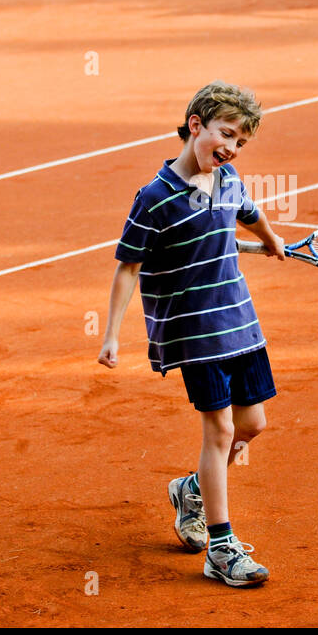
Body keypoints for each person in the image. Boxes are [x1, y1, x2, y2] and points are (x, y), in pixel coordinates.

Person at [98, 81, 286, 587]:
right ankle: (222, 548)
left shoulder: (227, 180)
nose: (231, 148)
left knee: (252, 425)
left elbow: (248, 211)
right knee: (220, 430)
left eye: (241, 142)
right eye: (226, 134)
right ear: (196, 124)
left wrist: (270, 239)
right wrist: (112, 335)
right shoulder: (155, 198)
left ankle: (192, 490)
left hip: (241, 322)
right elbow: (127, 267)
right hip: (196, 332)